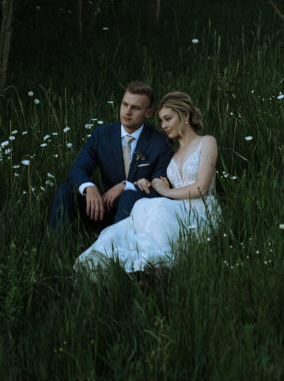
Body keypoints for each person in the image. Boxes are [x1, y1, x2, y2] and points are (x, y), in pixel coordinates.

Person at [74, 91, 219, 275]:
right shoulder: (171, 152)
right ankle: (127, 266)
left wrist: (166, 192)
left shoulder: (207, 142)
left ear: (185, 116)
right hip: (177, 209)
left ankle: (156, 267)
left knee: (155, 207)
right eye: (161, 121)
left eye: (168, 119)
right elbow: (157, 181)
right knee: (142, 208)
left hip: (202, 211)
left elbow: (201, 188)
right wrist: (142, 181)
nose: (164, 126)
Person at [48, 82, 173, 231]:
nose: (127, 111)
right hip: (102, 208)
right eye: (125, 104)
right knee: (64, 191)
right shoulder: (102, 135)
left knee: (128, 196)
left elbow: (160, 190)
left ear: (148, 113)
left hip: (137, 213)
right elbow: (77, 170)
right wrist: (90, 187)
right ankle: (55, 249)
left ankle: (114, 249)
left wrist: (127, 186)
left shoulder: (161, 143)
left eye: (135, 108)